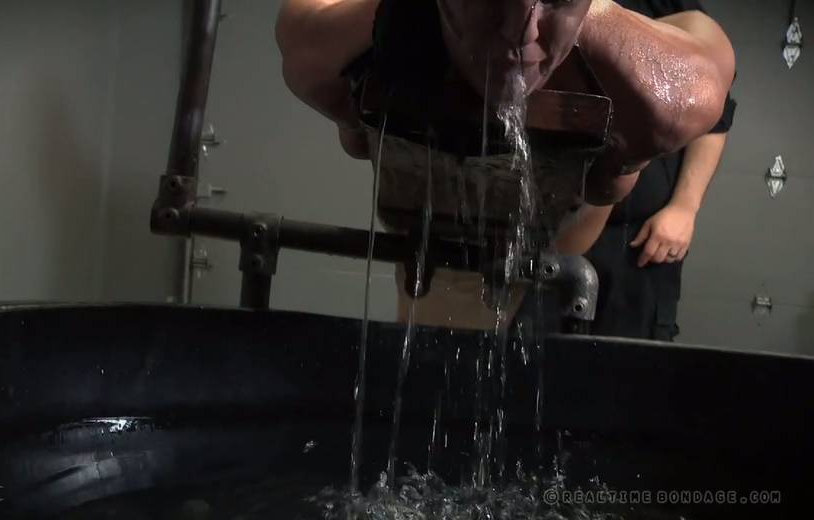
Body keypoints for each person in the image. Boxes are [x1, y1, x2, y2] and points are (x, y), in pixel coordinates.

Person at [276, 0, 735, 329]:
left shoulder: (662, 94)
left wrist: (680, 203)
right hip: (435, 208)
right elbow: (352, 132)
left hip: (586, 213)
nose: (520, 34)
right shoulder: (338, 46)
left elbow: (611, 181)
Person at [585, 0, 736, 341]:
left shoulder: (675, 8)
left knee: (631, 358)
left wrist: (684, 208)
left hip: (642, 238)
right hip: (561, 217)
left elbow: (716, 114)